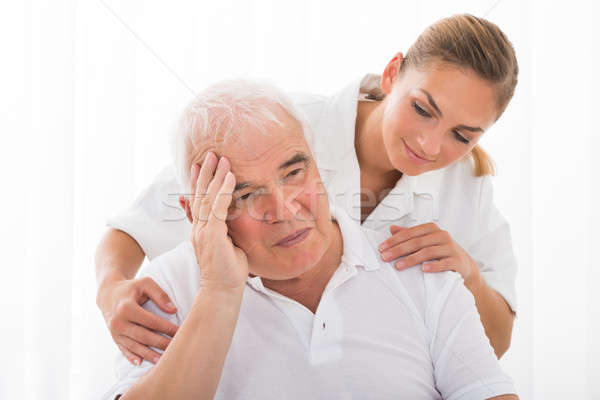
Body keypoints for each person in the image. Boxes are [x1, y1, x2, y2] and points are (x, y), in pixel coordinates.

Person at [95, 14, 519, 367]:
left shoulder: (468, 186)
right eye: (422, 109)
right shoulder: (287, 128)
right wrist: (111, 288)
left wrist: (468, 276)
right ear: (392, 73)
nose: (430, 144)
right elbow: (136, 226)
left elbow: (495, 345)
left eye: (462, 136)